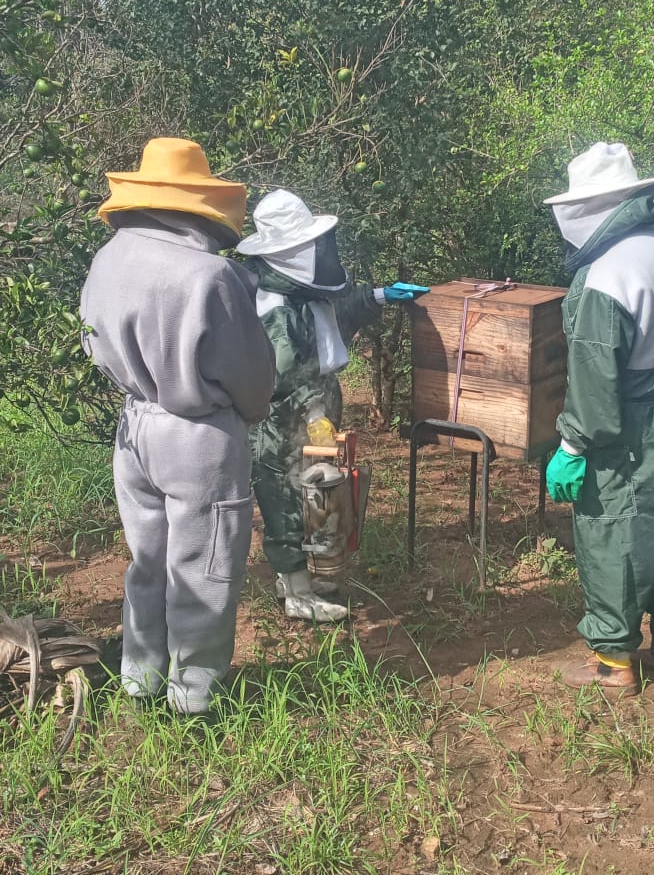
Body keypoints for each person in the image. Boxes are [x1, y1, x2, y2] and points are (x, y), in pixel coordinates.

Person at [81, 137, 275, 715]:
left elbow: (94, 338)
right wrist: (249, 412)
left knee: (148, 561)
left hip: (133, 427)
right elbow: (250, 374)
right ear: (199, 202)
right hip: (197, 434)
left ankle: (139, 680)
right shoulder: (209, 275)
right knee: (205, 566)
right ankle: (195, 700)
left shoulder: (109, 258)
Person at [543, 141, 654, 693]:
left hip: (626, 424)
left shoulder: (608, 272)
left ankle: (614, 663)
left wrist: (573, 446)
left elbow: (594, 378)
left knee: (615, 533)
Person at [237, 188, 428, 623]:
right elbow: (283, 377)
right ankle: (297, 593)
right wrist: (314, 415)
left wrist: (381, 295)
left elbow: (336, 307)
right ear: (285, 252)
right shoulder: (275, 304)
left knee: (318, 495)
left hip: (318, 405)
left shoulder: (304, 290)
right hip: (283, 419)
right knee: (286, 497)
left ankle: (315, 575)